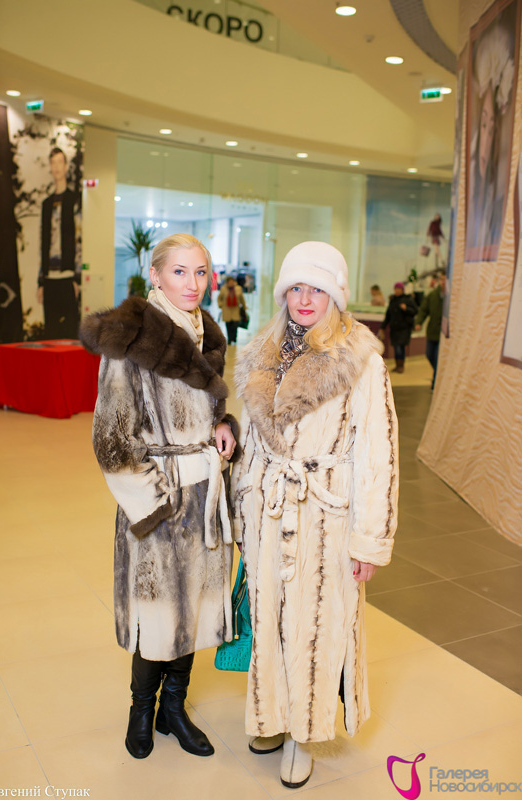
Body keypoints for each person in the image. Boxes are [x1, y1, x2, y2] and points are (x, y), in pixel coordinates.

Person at [231, 241, 398, 789]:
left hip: (325, 518)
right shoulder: (261, 353)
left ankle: (302, 735)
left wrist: (369, 539)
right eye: (296, 288)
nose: (304, 299)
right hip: (267, 508)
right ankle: (272, 718)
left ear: (336, 295)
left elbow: (379, 453)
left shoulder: (361, 360)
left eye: (317, 289)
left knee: (315, 630)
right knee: (269, 623)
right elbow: (252, 443)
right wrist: (241, 512)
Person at [80, 233, 238, 761]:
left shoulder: (208, 334)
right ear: (155, 274)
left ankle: (174, 708)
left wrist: (223, 426)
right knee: (158, 614)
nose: (193, 284)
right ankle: (141, 710)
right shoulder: (132, 340)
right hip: (160, 500)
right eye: (180, 272)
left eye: (201, 272)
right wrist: (155, 504)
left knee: (193, 609)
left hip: (205, 497)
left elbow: (207, 412)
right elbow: (111, 439)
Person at [466, 23, 514, 260]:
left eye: (493, 129)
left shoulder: (504, 195)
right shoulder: (472, 187)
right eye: (483, 125)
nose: (486, 143)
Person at [37, 147, 81, 338]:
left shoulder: (74, 200)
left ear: (65, 166)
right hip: (49, 279)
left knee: (70, 331)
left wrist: (77, 278)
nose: (56, 167)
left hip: (67, 276)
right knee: (51, 331)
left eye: (59, 162)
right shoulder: (46, 204)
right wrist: (41, 281)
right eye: (52, 163)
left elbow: (79, 240)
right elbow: (43, 243)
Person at [415, 271, 446, 389]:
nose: (443, 282)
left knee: (438, 358)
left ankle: (436, 382)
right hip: (432, 331)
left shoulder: (452, 297)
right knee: (429, 355)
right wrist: (419, 322)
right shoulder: (433, 295)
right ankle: (439, 375)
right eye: (441, 279)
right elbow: (423, 310)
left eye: (445, 279)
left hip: (444, 334)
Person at [378, 282, 417, 373]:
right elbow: (388, 315)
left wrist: (406, 308)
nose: (397, 291)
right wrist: (382, 327)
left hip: (404, 328)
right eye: (395, 289)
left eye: (399, 289)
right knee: (396, 347)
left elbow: (415, 311)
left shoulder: (408, 300)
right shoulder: (393, 300)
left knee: (400, 347)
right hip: (394, 328)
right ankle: (397, 365)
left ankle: (400, 366)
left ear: (402, 290)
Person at [217, 275, 247, 345]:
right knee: (228, 325)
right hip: (227, 310)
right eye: (229, 282)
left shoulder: (238, 289)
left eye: (232, 282)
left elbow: (242, 299)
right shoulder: (223, 289)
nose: (231, 283)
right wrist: (220, 305)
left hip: (235, 310)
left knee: (235, 325)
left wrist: (244, 307)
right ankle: (230, 339)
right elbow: (219, 298)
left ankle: (234, 338)